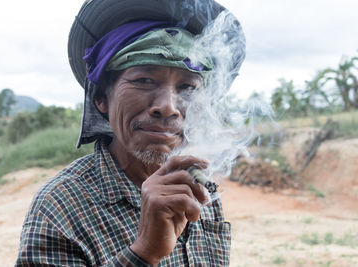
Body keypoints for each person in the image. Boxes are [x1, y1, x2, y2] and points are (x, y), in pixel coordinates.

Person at [16, 0, 244, 266]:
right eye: (144, 80)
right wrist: (144, 253)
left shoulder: (199, 186)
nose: (168, 107)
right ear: (102, 97)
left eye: (188, 87)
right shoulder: (60, 205)